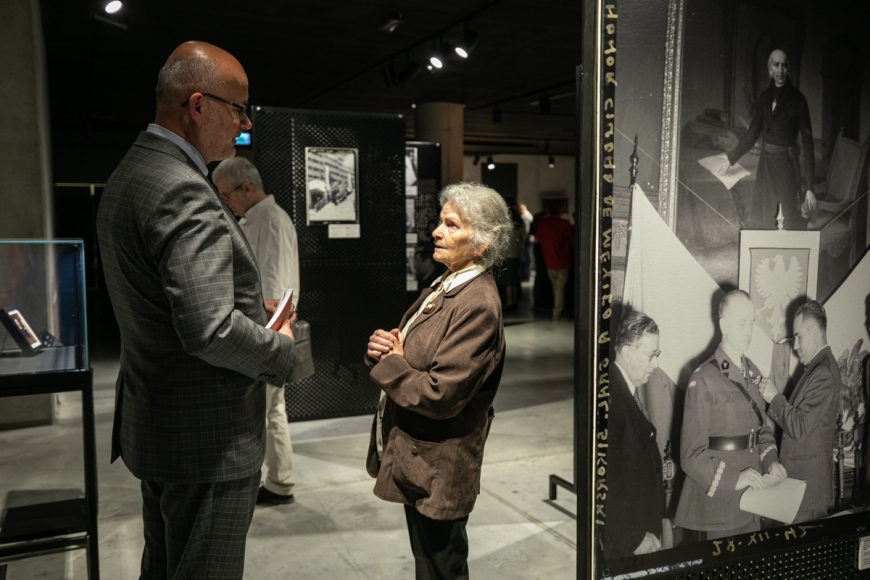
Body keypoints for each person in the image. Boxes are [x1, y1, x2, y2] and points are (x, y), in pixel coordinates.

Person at [96, 41, 296, 580]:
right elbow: (208, 330)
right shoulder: (182, 189)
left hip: (160, 422)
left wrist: (250, 309)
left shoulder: (131, 174)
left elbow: (169, 304)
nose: (245, 123)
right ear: (199, 105)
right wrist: (281, 351)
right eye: (238, 108)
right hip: (206, 438)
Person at [364, 182, 512, 579]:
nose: (436, 231)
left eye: (451, 225)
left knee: (441, 566)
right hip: (420, 459)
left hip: (439, 466)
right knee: (429, 563)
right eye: (440, 222)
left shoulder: (477, 303)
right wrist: (386, 348)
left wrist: (392, 363)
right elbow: (411, 352)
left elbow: (440, 393)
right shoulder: (447, 284)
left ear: (482, 243)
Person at [213, 157, 300, 506]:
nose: (225, 202)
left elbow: (276, 295)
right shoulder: (259, 220)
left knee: (270, 410)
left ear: (246, 187)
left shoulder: (272, 222)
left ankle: (280, 482)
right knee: (268, 410)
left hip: (266, 333)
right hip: (260, 331)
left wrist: (267, 343)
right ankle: (277, 479)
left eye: (226, 194)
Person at [675, 290, 785, 539]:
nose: (749, 331)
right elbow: (691, 455)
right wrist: (734, 479)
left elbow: (762, 432)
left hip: (754, 500)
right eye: (741, 323)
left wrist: (772, 462)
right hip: (720, 506)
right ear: (724, 325)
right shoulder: (703, 379)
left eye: (752, 323)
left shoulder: (752, 372)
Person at [759, 300, 841, 523]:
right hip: (802, 489)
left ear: (814, 331)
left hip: (808, 493)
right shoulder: (817, 368)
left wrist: (774, 398)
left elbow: (800, 427)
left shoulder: (823, 372)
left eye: (798, 336)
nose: (795, 346)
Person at [722, 49, 816, 230]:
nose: (780, 71)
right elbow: (752, 133)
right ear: (769, 70)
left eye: (784, 65)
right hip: (766, 166)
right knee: (765, 217)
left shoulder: (799, 100)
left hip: (787, 167)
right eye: (776, 65)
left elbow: (808, 144)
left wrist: (810, 187)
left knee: (788, 220)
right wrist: (731, 158)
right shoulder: (764, 98)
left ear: (788, 69)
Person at [603, 310, 664, 559]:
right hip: (629, 542)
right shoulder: (611, 400)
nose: (656, 364)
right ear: (627, 352)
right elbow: (607, 483)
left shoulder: (625, 388)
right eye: (651, 355)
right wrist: (633, 538)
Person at [535, 200, 573, 320]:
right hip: (563, 260)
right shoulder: (565, 224)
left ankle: (557, 309)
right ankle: (557, 311)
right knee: (560, 287)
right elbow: (572, 239)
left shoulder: (543, 224)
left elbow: (537, 239)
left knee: (555, 286)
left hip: (549, 260)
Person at [496, 200, 525, 313]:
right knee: (514, 278)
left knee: (508, 280)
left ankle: (509, 302)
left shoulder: (504, 224)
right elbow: (524, 237)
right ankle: (514, 300)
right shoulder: (520, 223)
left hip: (506, 254)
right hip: (516, 253)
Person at [518, 203, 534, 281]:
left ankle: (526, 275)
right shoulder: (529, 216)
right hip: (529, 239)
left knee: (526, 258)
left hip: (526, 239)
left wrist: (523, 239)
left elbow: (526, 231)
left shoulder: (524, 217)